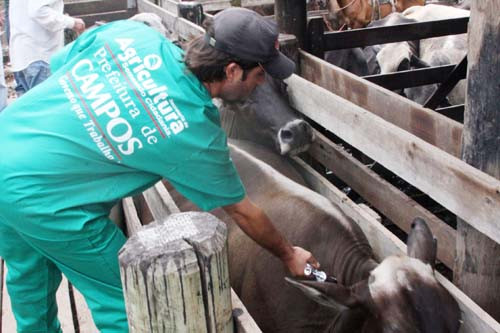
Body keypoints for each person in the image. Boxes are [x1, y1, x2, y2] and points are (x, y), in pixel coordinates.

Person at [0, 8, 318, 332]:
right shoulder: (194, 129)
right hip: (45, 199)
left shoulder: (133, 35)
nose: (261, 83)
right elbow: (244, 212)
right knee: (129, 302)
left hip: (7, 142)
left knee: (30, 278)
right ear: (233, 71)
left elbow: (60, 66)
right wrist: (289, 254)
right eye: (260, 75)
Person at [9, 0, 85, 96]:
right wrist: (72, 22)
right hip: (39, 54)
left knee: (32, 108)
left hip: (21, 55)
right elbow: (38, 11)